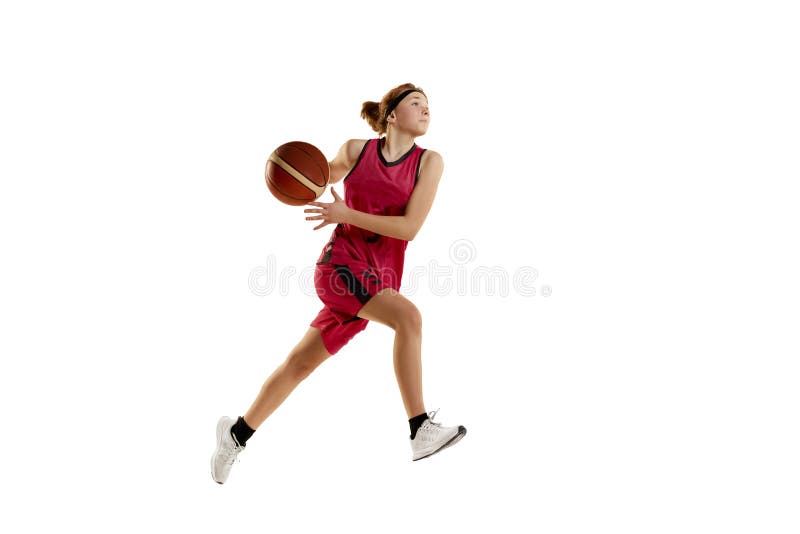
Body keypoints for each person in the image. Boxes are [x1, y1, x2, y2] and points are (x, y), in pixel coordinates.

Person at [211, 83, 466, 484]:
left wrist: (346, 212)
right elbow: (317, 178)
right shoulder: (355, 150)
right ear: (393, 116)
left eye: (428, 104)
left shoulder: (429, 162)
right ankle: (420, 428)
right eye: (415, 103)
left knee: (300, 363)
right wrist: (291, 170)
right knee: (408, 318)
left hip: (374, 279)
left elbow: (410, 228)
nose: (425, 108)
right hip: (340, 268)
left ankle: (236, 433)